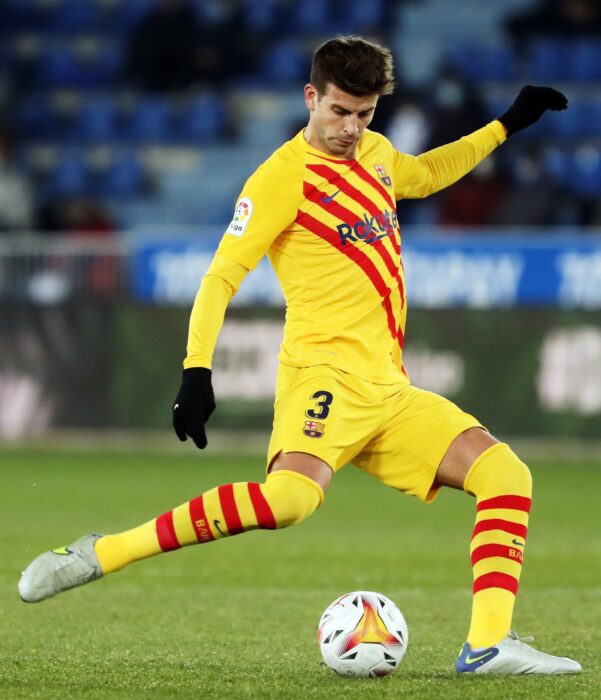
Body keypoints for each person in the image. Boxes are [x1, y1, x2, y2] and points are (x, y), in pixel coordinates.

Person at [19, 36, 580, 676]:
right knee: (288, 503)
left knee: (507, 475)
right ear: (311, 97)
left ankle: (486, 646)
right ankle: (105, 552)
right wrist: (196, 370)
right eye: (340, 111)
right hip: (323, 377)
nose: (351, 128)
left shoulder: (375, 153)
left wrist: (508, 125)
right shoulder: (280, 178)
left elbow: (424, 174)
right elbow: (220, 277)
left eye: (365, 114)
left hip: (389, 390)